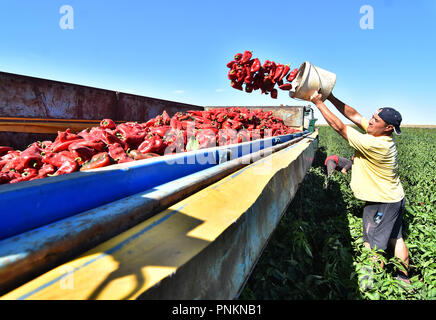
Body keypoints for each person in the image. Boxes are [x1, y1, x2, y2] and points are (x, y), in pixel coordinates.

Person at [311, 91, 410, 285]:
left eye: (376, 120)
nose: (370, 122)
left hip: (381, 202)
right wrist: (330, 97)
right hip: (394, 197)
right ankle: (403, 279)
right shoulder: (378, 133)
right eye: (372, 117)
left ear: (388, 127)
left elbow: (339, 126)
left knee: (371, 244)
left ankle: (369, 285)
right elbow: (354, 115)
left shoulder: (375, 143)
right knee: (395, 238)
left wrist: (318, 103)